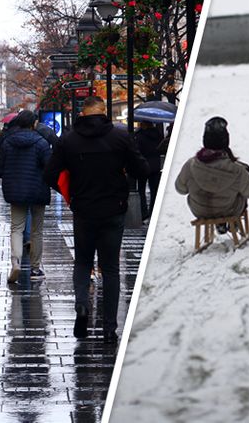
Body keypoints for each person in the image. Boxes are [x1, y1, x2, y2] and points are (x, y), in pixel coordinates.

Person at [44, 96, 150, 343]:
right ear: (103, 112)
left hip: (83, 209)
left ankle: (82, 304)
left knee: (82, 262)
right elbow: (142, 170)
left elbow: (49, 174)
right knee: (110, 268)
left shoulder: (68, 140)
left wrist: (70, 193)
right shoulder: (120, 137)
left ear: (82, 113)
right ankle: (109, 328)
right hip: (113, 209)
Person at [0, 110, 52, 283]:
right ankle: (35, 269)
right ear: (33, 124)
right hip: (37, 190)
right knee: (37, 230)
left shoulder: (7, 142)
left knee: (16, 228)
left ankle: (16, 263)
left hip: (16, 191)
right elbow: (49, 168)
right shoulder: (42, 143)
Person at [175, 117, 249, 234]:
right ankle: (233, 224)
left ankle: (220, 224)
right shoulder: (237, 169)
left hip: (200, 210)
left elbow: (180, 189)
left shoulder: (190, 165)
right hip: (229, 210)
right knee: (242, 194)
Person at [135, 122, 163, 221]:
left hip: (143, 165)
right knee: (154, 191)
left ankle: (144, 213)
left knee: (141, 190)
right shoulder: (158, 135)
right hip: (155, 165)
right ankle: (154, 212)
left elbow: (137, 150)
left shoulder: (139, 136)